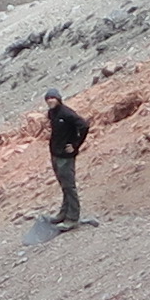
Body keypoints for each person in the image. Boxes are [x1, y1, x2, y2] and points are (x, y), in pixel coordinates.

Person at [42, 89, 91, 225]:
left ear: (58, 99)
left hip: (66, 155)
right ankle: (64, 213)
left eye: (53, 98)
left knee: (69, 186)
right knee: (64, 185)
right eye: (48, 98)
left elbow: (84, 126)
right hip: (55, 153)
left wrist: (75, 144)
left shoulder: (66, 113)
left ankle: (73, 217)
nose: (50, 101)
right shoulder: (52, 113)